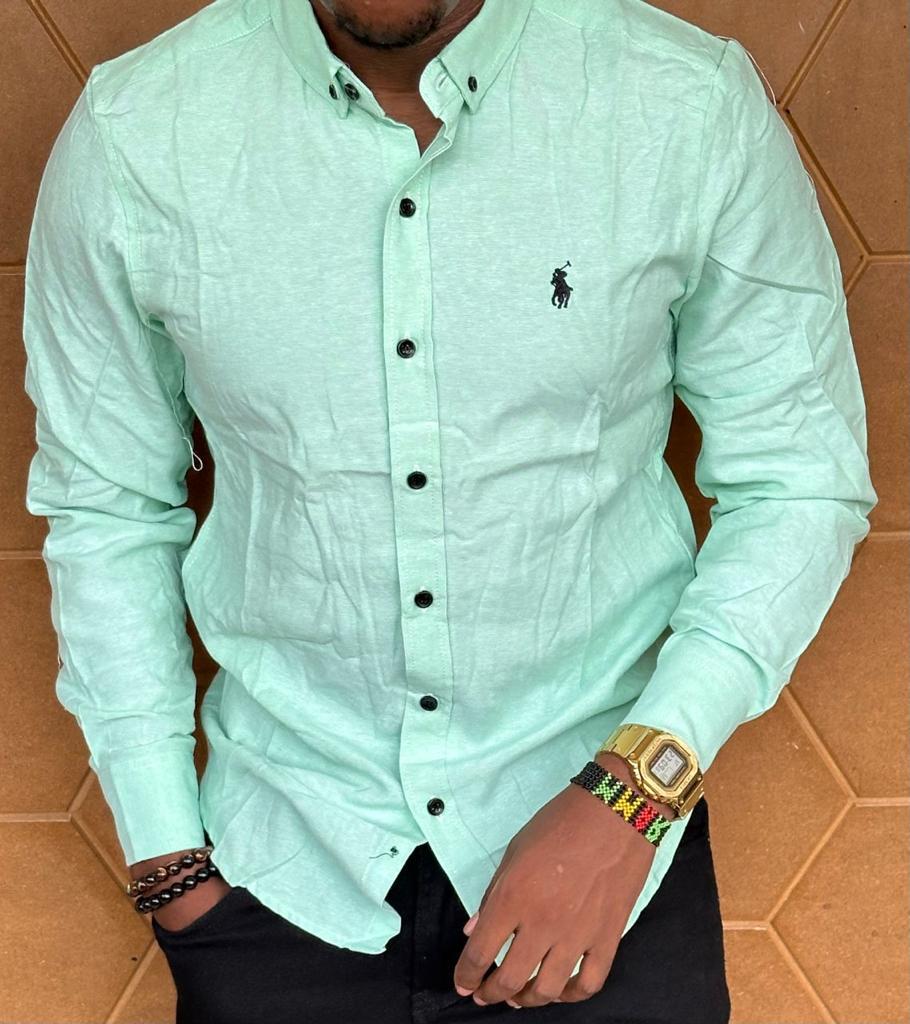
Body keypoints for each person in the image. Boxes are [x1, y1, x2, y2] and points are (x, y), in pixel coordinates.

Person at [21, 0, 877, 1021]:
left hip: (609, 872)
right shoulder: (136, 132)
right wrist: (169, 862)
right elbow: (106, 505)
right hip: (277, 879)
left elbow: (797, 478)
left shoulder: (684, 106)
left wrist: (633, 798)